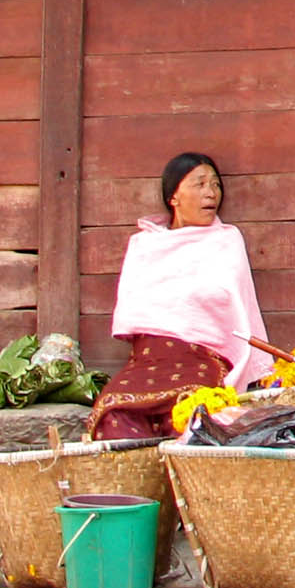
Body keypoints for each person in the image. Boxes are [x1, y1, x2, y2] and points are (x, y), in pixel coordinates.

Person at [88, 153, 273, 439]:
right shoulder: (144, 245)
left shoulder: (226, 240)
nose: (211, 193)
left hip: (201, 359)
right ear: (173, 196)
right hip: (148, 361)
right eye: (199, 184)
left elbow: (233, 304)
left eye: (215, 185)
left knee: (191, 416)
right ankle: (129, 484)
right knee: (114, 414)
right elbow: (134, 309)